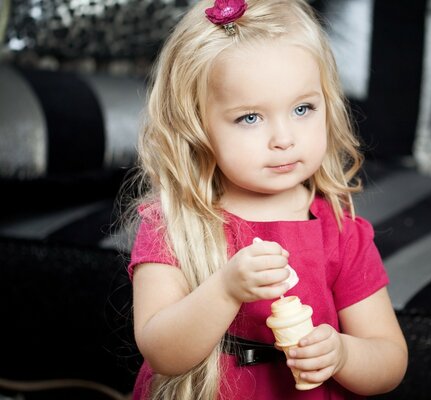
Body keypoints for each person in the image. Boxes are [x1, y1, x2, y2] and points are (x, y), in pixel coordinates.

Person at [124, 0, 408, 398]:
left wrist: (343, 354)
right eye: (250, 118)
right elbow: (162, 354)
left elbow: (389, 360)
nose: (284, 138)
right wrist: (225, 289)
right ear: (195, 124)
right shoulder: (174, 223)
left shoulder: (339, 231)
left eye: (303, 108)